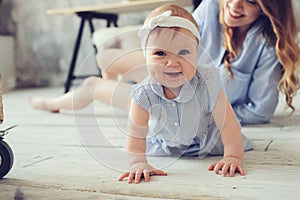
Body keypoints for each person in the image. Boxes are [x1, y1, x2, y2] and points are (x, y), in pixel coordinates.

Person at [29, 0, 300, 125]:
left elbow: (260, 112)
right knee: (105, 57)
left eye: (251, 2)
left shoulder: (267, 43)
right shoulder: (210, 8)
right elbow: (176, 41)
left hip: (176, 104)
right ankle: (115, 82)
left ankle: (53, 103)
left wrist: (209, 116)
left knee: (91, 84)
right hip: (173, 73)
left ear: (269, 8)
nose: (235, 5)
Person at [117, 4, 252, 184]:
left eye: (183, 52)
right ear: (145, 56)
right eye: (160, 53)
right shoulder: (143, 93)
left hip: (208, 140)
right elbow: (135, 133)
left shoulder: (208, 82)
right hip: (168, 143)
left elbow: (228, 123)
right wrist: (137, 163)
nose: (172, 62)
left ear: (197, 53)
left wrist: (233, 157)